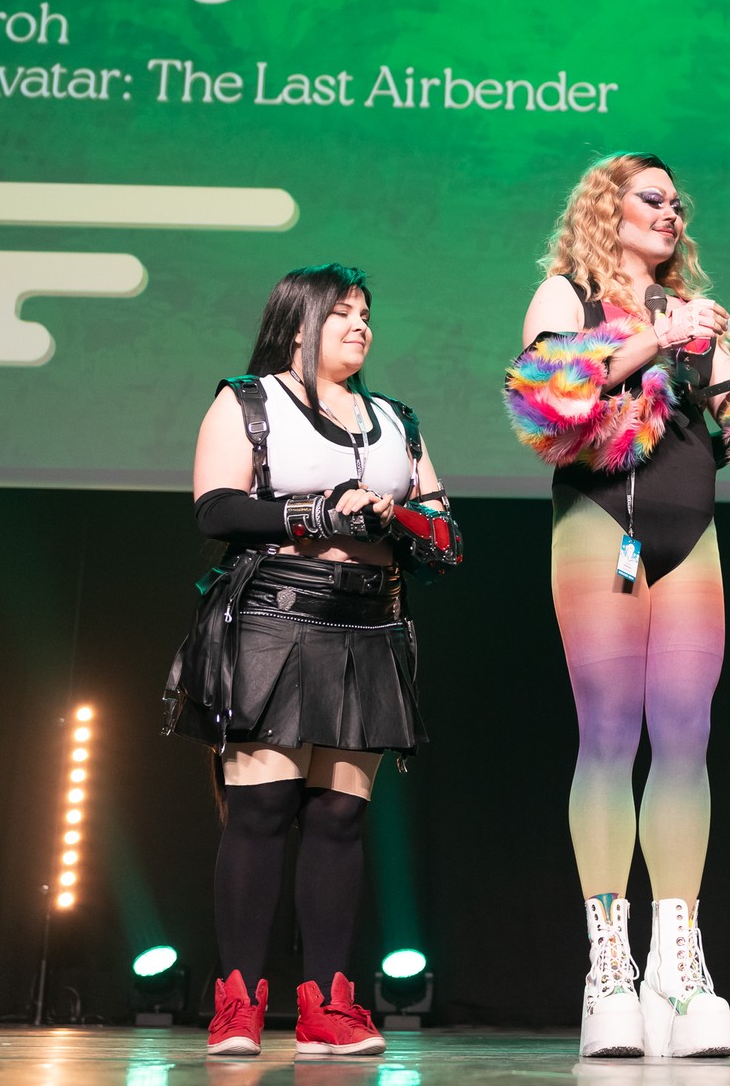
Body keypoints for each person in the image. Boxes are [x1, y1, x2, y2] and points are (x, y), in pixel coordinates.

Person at [505, 153, 730, 1059]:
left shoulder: (696, 316)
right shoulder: (565, 296)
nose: (671, 212)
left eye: (677, 203)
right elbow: (548, 402)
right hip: (600, 527)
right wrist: (658, 340)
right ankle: (608, 969)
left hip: (690, 535)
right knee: (608, 736)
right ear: (608, 209)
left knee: (686, 740)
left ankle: (676, 967)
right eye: (652, 198)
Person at [164, 263, 460, 1058]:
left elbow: (445, 533)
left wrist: (394, 517)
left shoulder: (395, 420)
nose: (361, 326)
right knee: (261, 810)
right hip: (274, 619)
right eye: (342, 313)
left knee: (340, 818)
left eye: (366, 313)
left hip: (369, 625)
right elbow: (216, 507)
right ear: (298, 324)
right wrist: (318, 513)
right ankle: (237, 1003)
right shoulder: (249, 401)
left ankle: (328, 1005)